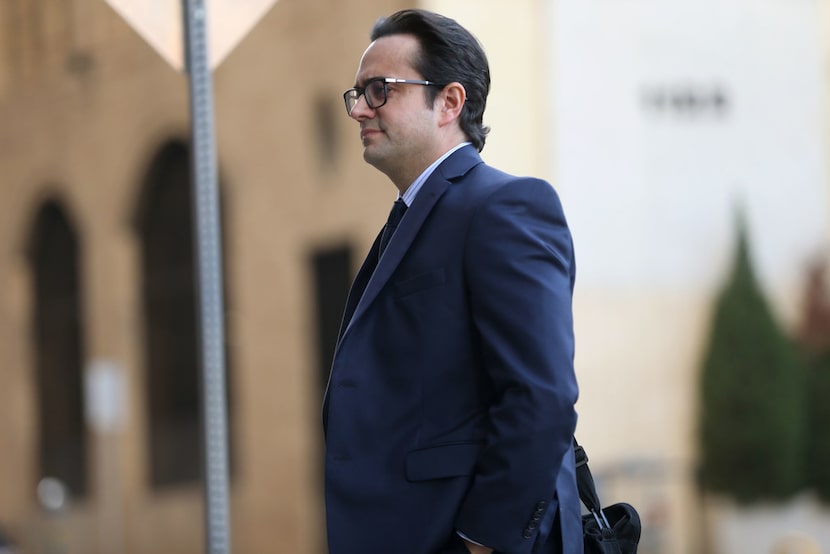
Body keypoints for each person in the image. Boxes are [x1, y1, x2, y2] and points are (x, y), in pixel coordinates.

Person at [323, 9, 582, 554]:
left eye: (379, 89)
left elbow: (541, 396)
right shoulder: (412, 217)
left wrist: (482, 540)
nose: (360, 109)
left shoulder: (505, 207)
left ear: (450, 102)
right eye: (358, 93)